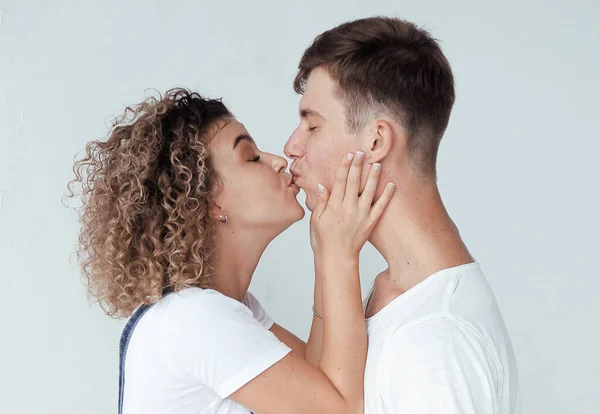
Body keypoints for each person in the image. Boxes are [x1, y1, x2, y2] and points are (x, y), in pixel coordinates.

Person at [68, 88, 395, 414]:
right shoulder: (195, 318)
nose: (279, 161)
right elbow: (344, 410)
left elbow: (317, 376)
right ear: (210, 202)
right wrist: (341, 256)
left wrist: (326, 251)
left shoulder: (220, 309)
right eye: (252, 157)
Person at [284, 16, 520, 413]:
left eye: (312, 125)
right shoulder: (393, 292)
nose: (291, 147)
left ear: (376, 141)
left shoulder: (434, 340)